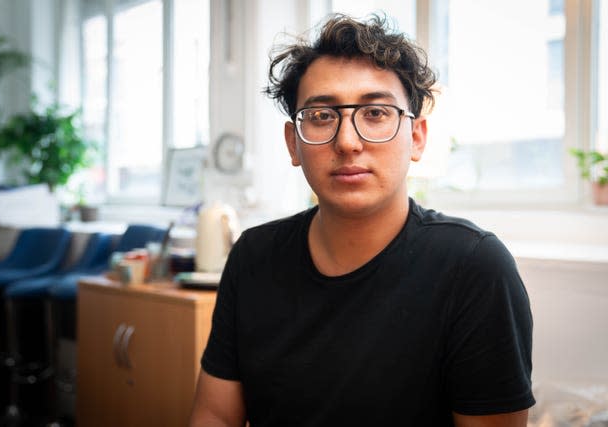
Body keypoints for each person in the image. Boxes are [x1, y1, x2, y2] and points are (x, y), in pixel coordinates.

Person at [190, 13, 534, 427]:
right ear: (293, 144)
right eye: (321, 116)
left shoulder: (474, 268)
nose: (348, 142)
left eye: (375, 113)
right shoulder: (253, 257)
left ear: (417, 137)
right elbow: (215, 415)